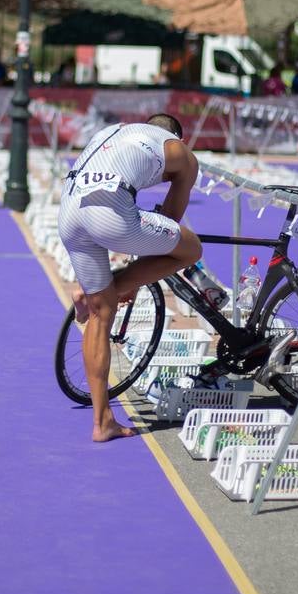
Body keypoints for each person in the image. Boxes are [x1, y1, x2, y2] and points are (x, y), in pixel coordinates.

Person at [58, 113, 203, 442]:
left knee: (100, 313)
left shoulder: (115, 132)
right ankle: (111, 287)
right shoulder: (181, 153)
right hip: (109, 212)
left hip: (68, 211)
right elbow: (170, 224)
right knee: (191, 249)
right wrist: (132, 281)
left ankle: (102, 422)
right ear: (178, 139)